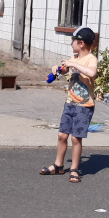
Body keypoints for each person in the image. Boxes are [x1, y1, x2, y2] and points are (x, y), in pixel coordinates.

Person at [40, 26, 98, 183]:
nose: (71, 43)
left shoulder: (90, 59)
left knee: (76, 138)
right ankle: (58, 165)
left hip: (84, 106)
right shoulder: (74, 58)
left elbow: (92, 73)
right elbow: (64, 70)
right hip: (70, 103)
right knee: (62, 135)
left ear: (81, 43)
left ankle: (74, 169)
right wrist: (57, 70)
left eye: (73, 41)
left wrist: (73, 65)